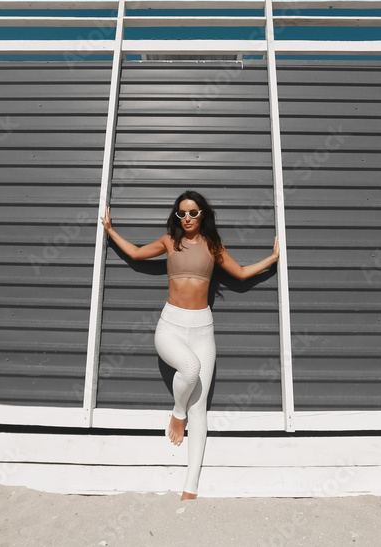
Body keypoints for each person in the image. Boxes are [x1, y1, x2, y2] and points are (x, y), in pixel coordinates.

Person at [100, 190, 280, 500]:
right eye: (182, 213)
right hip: (170, 326)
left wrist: (273, 259)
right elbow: (137, 253)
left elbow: (239, 272)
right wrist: (110, 230)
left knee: (201, 410)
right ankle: (177, 411)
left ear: (202, 215)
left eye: (193, 213)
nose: (187, 218)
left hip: (203, 329)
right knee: (190, 369)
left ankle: (190, 489)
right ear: (176, 216)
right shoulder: (169, 242)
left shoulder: (213, 246)